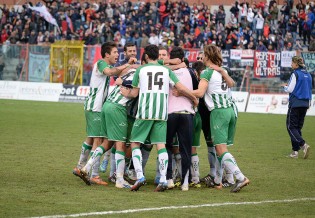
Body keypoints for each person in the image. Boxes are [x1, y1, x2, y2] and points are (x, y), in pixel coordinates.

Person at [120, 44, 198, 192]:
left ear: (147, 56)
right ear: (158, 56)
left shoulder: (141, 70)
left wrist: (125, 93)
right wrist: (193, 98)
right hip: (161, 113)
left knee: (135, 143)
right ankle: (163, 179)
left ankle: (140, 176)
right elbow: (180, 88)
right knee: (161, 145)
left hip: (145, 112)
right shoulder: (166, 70)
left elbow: (134, 94)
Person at [74, 41, 136, 186]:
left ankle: (79, 166)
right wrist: (127, 64)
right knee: (98, 140)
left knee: (91, 138)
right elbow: (110, 72)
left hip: (97, 107)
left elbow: (116, 74)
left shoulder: (108, 65)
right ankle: (94, 174)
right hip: (95, 107)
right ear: (107, 54)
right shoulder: (101, 64)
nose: (117, 55)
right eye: (114, 52)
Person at [193, 44, 250, 193]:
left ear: (207, 56)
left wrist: (181, 90)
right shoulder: (221, 70)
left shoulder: (207, 72)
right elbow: (232, 84)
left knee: (220, 148)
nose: (202, 57)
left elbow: (199, 93)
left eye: (204, 55)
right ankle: (220, 179)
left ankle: (240, 177)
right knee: (221, 149)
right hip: (230, 110)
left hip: (219, 112)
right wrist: (223, 72)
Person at [284, 56, 312, 159]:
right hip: (305, 103)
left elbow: (290, 89)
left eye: (292, 62)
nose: (291, 64)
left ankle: (303, 145)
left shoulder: (295, 74)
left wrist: (284, 87)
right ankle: (295, 152)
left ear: (296, 64)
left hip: (295, 103)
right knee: (297, 128)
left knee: (291, 127)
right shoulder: (308, 74)